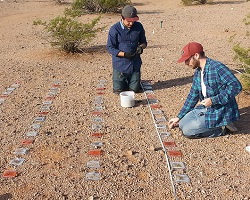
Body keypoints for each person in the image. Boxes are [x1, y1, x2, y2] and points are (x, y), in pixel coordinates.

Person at [168, 42, 242, 138]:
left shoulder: (217, 68)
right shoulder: (198, 72)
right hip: (206, 108)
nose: (186, 63)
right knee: (182, 124)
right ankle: (211, 124)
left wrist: (213, 100)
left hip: (220, 111)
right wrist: (178, 117)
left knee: (187, 131)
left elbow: (236, 86)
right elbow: (192, 96)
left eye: (187, 60)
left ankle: (223, 127)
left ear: (196, 55)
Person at [107, 5, 147, 94]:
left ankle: (134, 81)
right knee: (118, 91)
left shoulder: (139, 26)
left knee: (134, 91)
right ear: (122, 18)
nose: (131, 24)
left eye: (133, 21)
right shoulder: (114, 29)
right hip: (120, 65)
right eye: (129, 21)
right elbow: (110, 48)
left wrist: (141, 47)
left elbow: (144, 42)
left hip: (134, 64)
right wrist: (124, 54)